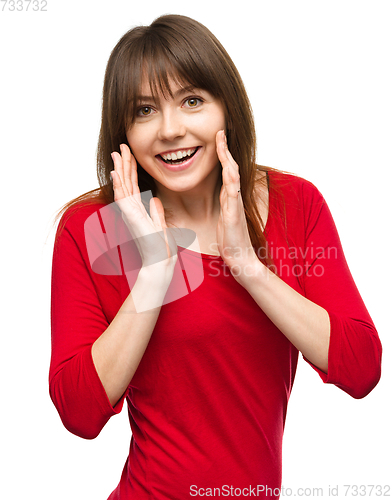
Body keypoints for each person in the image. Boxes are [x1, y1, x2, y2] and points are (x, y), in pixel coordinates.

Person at [49, 14, 382, 500]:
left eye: (191, 101)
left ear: (227, 107)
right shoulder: (95, 229)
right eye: (144, 110)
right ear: (122, 130)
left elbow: (360, 368)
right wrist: (155, 273)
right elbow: (78, 414)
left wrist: (247, 266)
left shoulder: (294, 205)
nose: (170, 130)